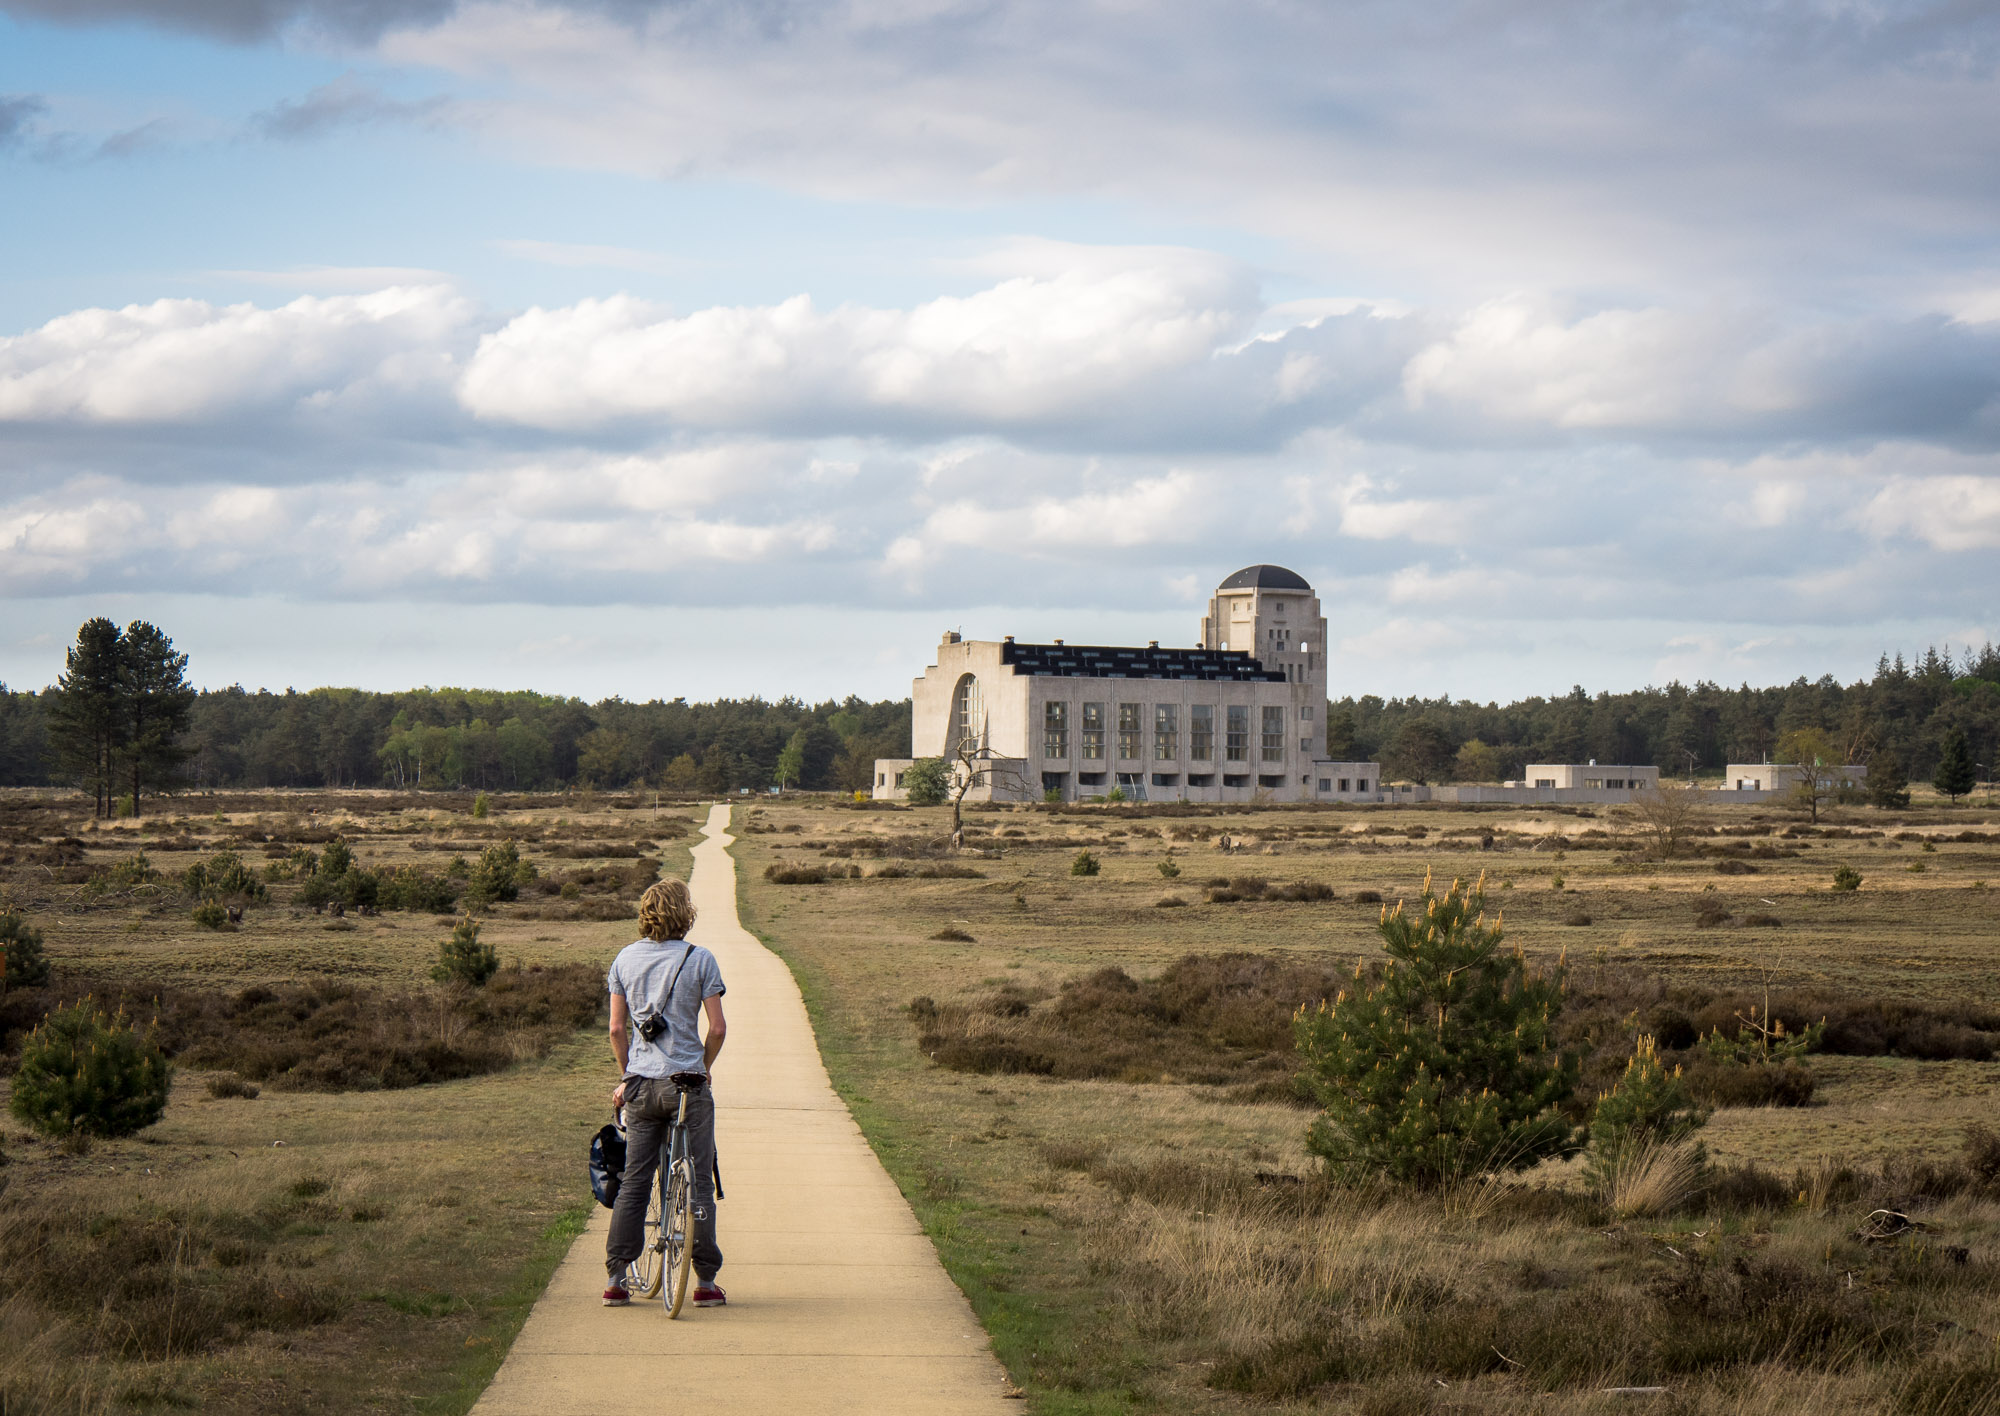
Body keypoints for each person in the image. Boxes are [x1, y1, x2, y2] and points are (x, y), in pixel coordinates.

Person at [602, 878, 728, 1308]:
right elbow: (717, 1028)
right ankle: (705, 1283)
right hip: (687, 1086)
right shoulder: (701, 960)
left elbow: (617, 1029)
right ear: (684, 913)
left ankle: (617, 1279)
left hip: (639, 1086)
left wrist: (627, 1075)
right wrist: (703, 1069)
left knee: (635, 1181)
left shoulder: (624, 959)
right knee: (698, 1186)